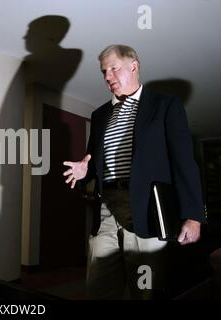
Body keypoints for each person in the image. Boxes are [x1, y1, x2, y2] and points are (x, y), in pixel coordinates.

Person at [63, 44, 206, 299]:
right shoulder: (99, 115)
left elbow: (184, 162)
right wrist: (87, 171)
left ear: (134, 66)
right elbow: (94, 162)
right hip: (106, 213)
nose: (108, 77)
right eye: (104, 72)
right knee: (98, 291)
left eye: (114, 69)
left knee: (146, 293)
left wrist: (193, 216)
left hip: (148, 213)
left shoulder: (164, 105)